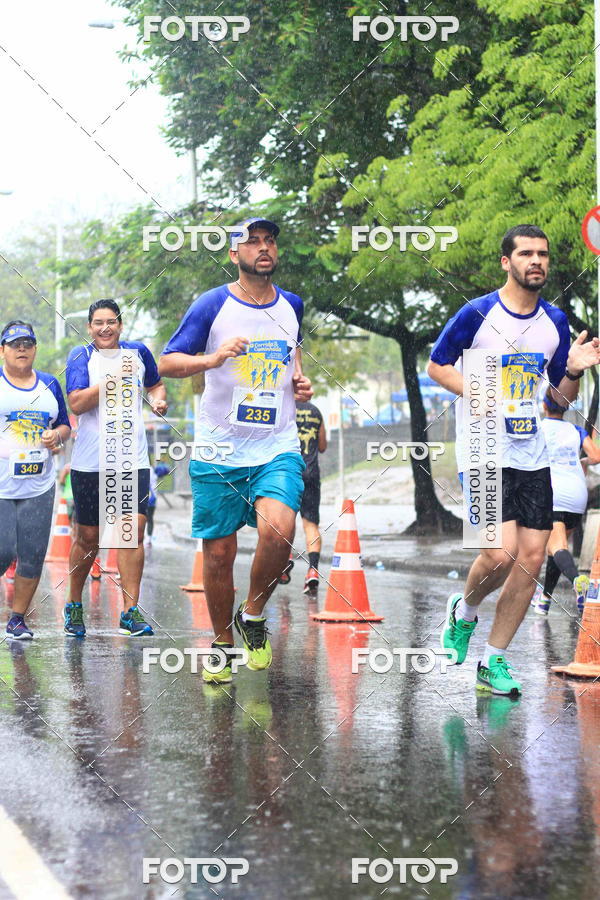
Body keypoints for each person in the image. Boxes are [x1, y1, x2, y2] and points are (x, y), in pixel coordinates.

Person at [427, 224, 600, 696]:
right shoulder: (477, 313)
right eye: (526, 253)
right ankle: (464, 612)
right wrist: (478, 390)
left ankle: (493, 661)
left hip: (532, 452)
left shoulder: (555, 322)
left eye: (542, 254)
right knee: (498, 553)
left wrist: (573, 370)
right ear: (507, 262)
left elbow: (558, 400)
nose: (536, 261)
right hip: (482, 447)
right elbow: (436, 365)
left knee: (530, 560)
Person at [159, 216, 312, 684]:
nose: (263, 248)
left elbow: (292, 355)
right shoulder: (212, 305)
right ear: (233, 254)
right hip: (219, 450)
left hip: (276, 445)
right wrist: (213, 357)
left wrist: (300, 382)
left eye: (269, 241)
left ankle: (254, 614)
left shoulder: (293, 304)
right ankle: (223, 644)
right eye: (252, 242)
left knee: (280, 530)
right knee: (219, 555)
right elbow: (167, 362)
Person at [64, 299, 168, 637]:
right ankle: (73, 603)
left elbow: (155, 384)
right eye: (98, 323)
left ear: (120, 325)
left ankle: (129, 612)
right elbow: (76, 402)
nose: (105, 328)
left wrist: (158, 399)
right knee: (89, 538)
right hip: (90, 463)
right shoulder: (81, 356)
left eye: (111, 322)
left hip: (131, 461)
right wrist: (111, 381)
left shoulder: (139, 353)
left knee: (132, 532)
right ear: (89, 327)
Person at [0, 320, 71, 639]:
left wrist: (57, 435)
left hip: (39, 484)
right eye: (14, 344)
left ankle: (17, 619)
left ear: (35, 349)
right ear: (2, 350)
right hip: (2, 486)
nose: (21, 349)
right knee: (4, 550)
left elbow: (65, 425)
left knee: (32, 554)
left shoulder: (49, 384)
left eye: (27, 344)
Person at [530, 388, 600, 616]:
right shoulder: (576, 430)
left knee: (556, 546)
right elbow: (596, 456)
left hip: (552, 493)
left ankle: (579, 581)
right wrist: (583, 461)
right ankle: (544, 600)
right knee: (556, 550)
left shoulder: (537, 428)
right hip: (577, 494)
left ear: (544, 406)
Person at [280, 400, 327, 592]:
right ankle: (313, 571)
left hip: (289, 473)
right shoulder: (316, 411)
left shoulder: (284, 407)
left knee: (286, 520)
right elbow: (322, 446)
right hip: (311, 473)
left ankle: (285, 560)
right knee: (311, 525)